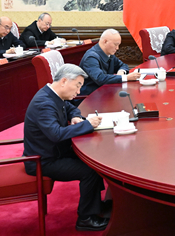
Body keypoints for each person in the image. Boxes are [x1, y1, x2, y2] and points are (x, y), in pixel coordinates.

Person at [23, 64, 109, 232]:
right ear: (63, 81)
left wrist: (76, 117)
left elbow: (70, 108)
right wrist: (87, 124)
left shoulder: (53, 94)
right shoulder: (43, 103)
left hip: (56, 151)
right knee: (89, 171)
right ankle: (85, 218)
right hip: (43, 161)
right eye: (77, 85)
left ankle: (96, 205)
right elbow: (56, 134)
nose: (79, 91)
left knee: (95, 158)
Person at [79, 29, 140, 96]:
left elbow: (123, 65)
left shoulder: (109, 54)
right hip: (90, 97)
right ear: (105, 41)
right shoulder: (91, 57)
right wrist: (126, 77)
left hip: (105, 92)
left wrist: (121, 71)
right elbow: (100, 79)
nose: (117, 48)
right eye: (115, 44)